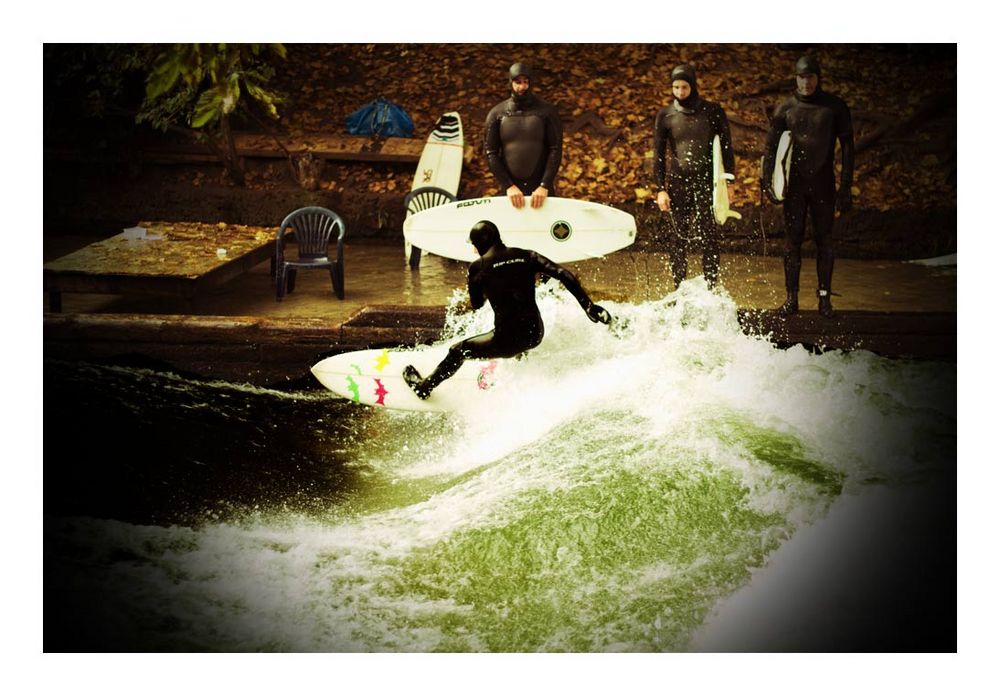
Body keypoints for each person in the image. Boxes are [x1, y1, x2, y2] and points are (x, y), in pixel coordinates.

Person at [403, 220, 611, 399]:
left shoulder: (478, 267)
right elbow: (564, 274)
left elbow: (477, 305)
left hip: (506, 341)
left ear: (480, 244)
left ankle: (424, 388)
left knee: (458, 351)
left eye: (474, 244)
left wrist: (486, 286)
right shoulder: (526, 255)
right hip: (535, 334)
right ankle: (519, 373)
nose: (474, 249)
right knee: (518, 332)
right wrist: (588, 306)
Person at [762, 55, 855, 317]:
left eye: (811, 77)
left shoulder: (834, 108)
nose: (806, 82)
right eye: (802, 77)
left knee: (825, 241)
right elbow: (771, 150)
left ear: (818, 78)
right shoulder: (785, 109)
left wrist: (846, 186)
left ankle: (824, 299)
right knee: (792, 242)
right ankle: (792, 299)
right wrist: (768, 181)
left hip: (824, 185)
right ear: (796, 78)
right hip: (795, 188)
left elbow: (848, 147)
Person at [653, 64, 735, 289]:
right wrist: (660, 188)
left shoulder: (712, 111)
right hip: (678, 184)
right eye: (676, 87)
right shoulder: (666, 115)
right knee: (678, 238)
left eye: (684, 87)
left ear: (693, 86)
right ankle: (678, 286)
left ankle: (711, 286)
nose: (680, 92)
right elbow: (658, 155)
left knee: (710, 236)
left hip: (707, 183)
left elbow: (726, 147)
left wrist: (729, 181)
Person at [484, 62, 563, 209]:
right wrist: (508, 186)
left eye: (526, 82)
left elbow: (555, 148)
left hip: (541, 190)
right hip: (511, 192)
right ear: (510, 83)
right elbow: (491, 153)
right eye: (517, 82)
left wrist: (544, 185)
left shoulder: (547, 112)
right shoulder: (497, 114)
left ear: (531, 83)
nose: (522, 87)